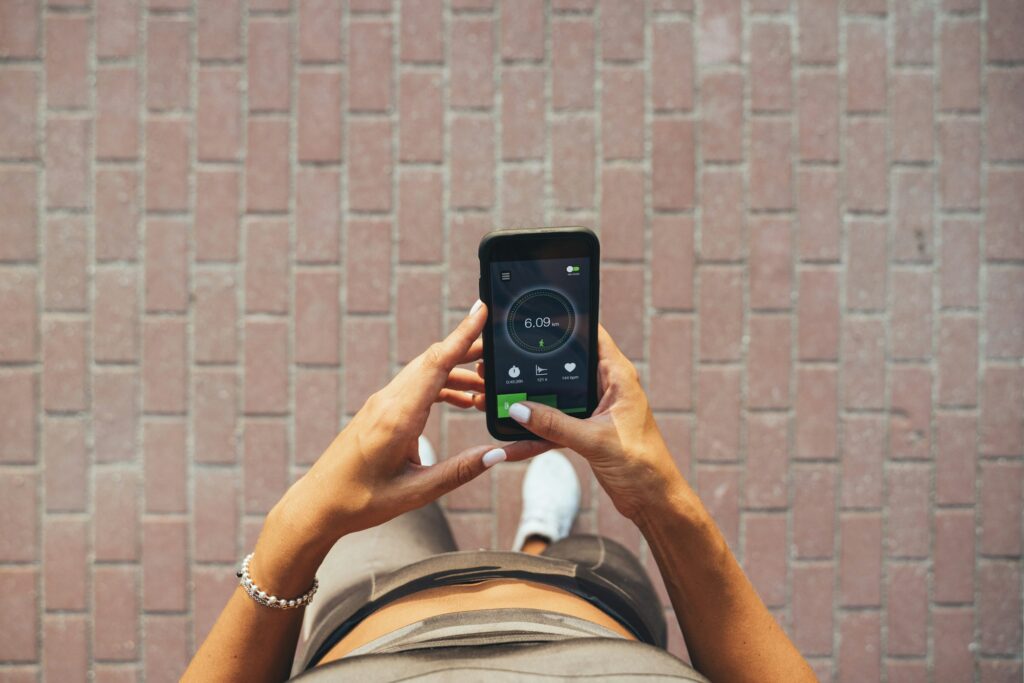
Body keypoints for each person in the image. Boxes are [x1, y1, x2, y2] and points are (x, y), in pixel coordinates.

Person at [184, 302, 816, 682]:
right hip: (586, 601)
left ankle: (413, 491)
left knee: (381, 524)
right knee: (590, 546)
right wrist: (660, 498)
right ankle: (537, 537)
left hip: (371, 615)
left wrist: (300, 523)